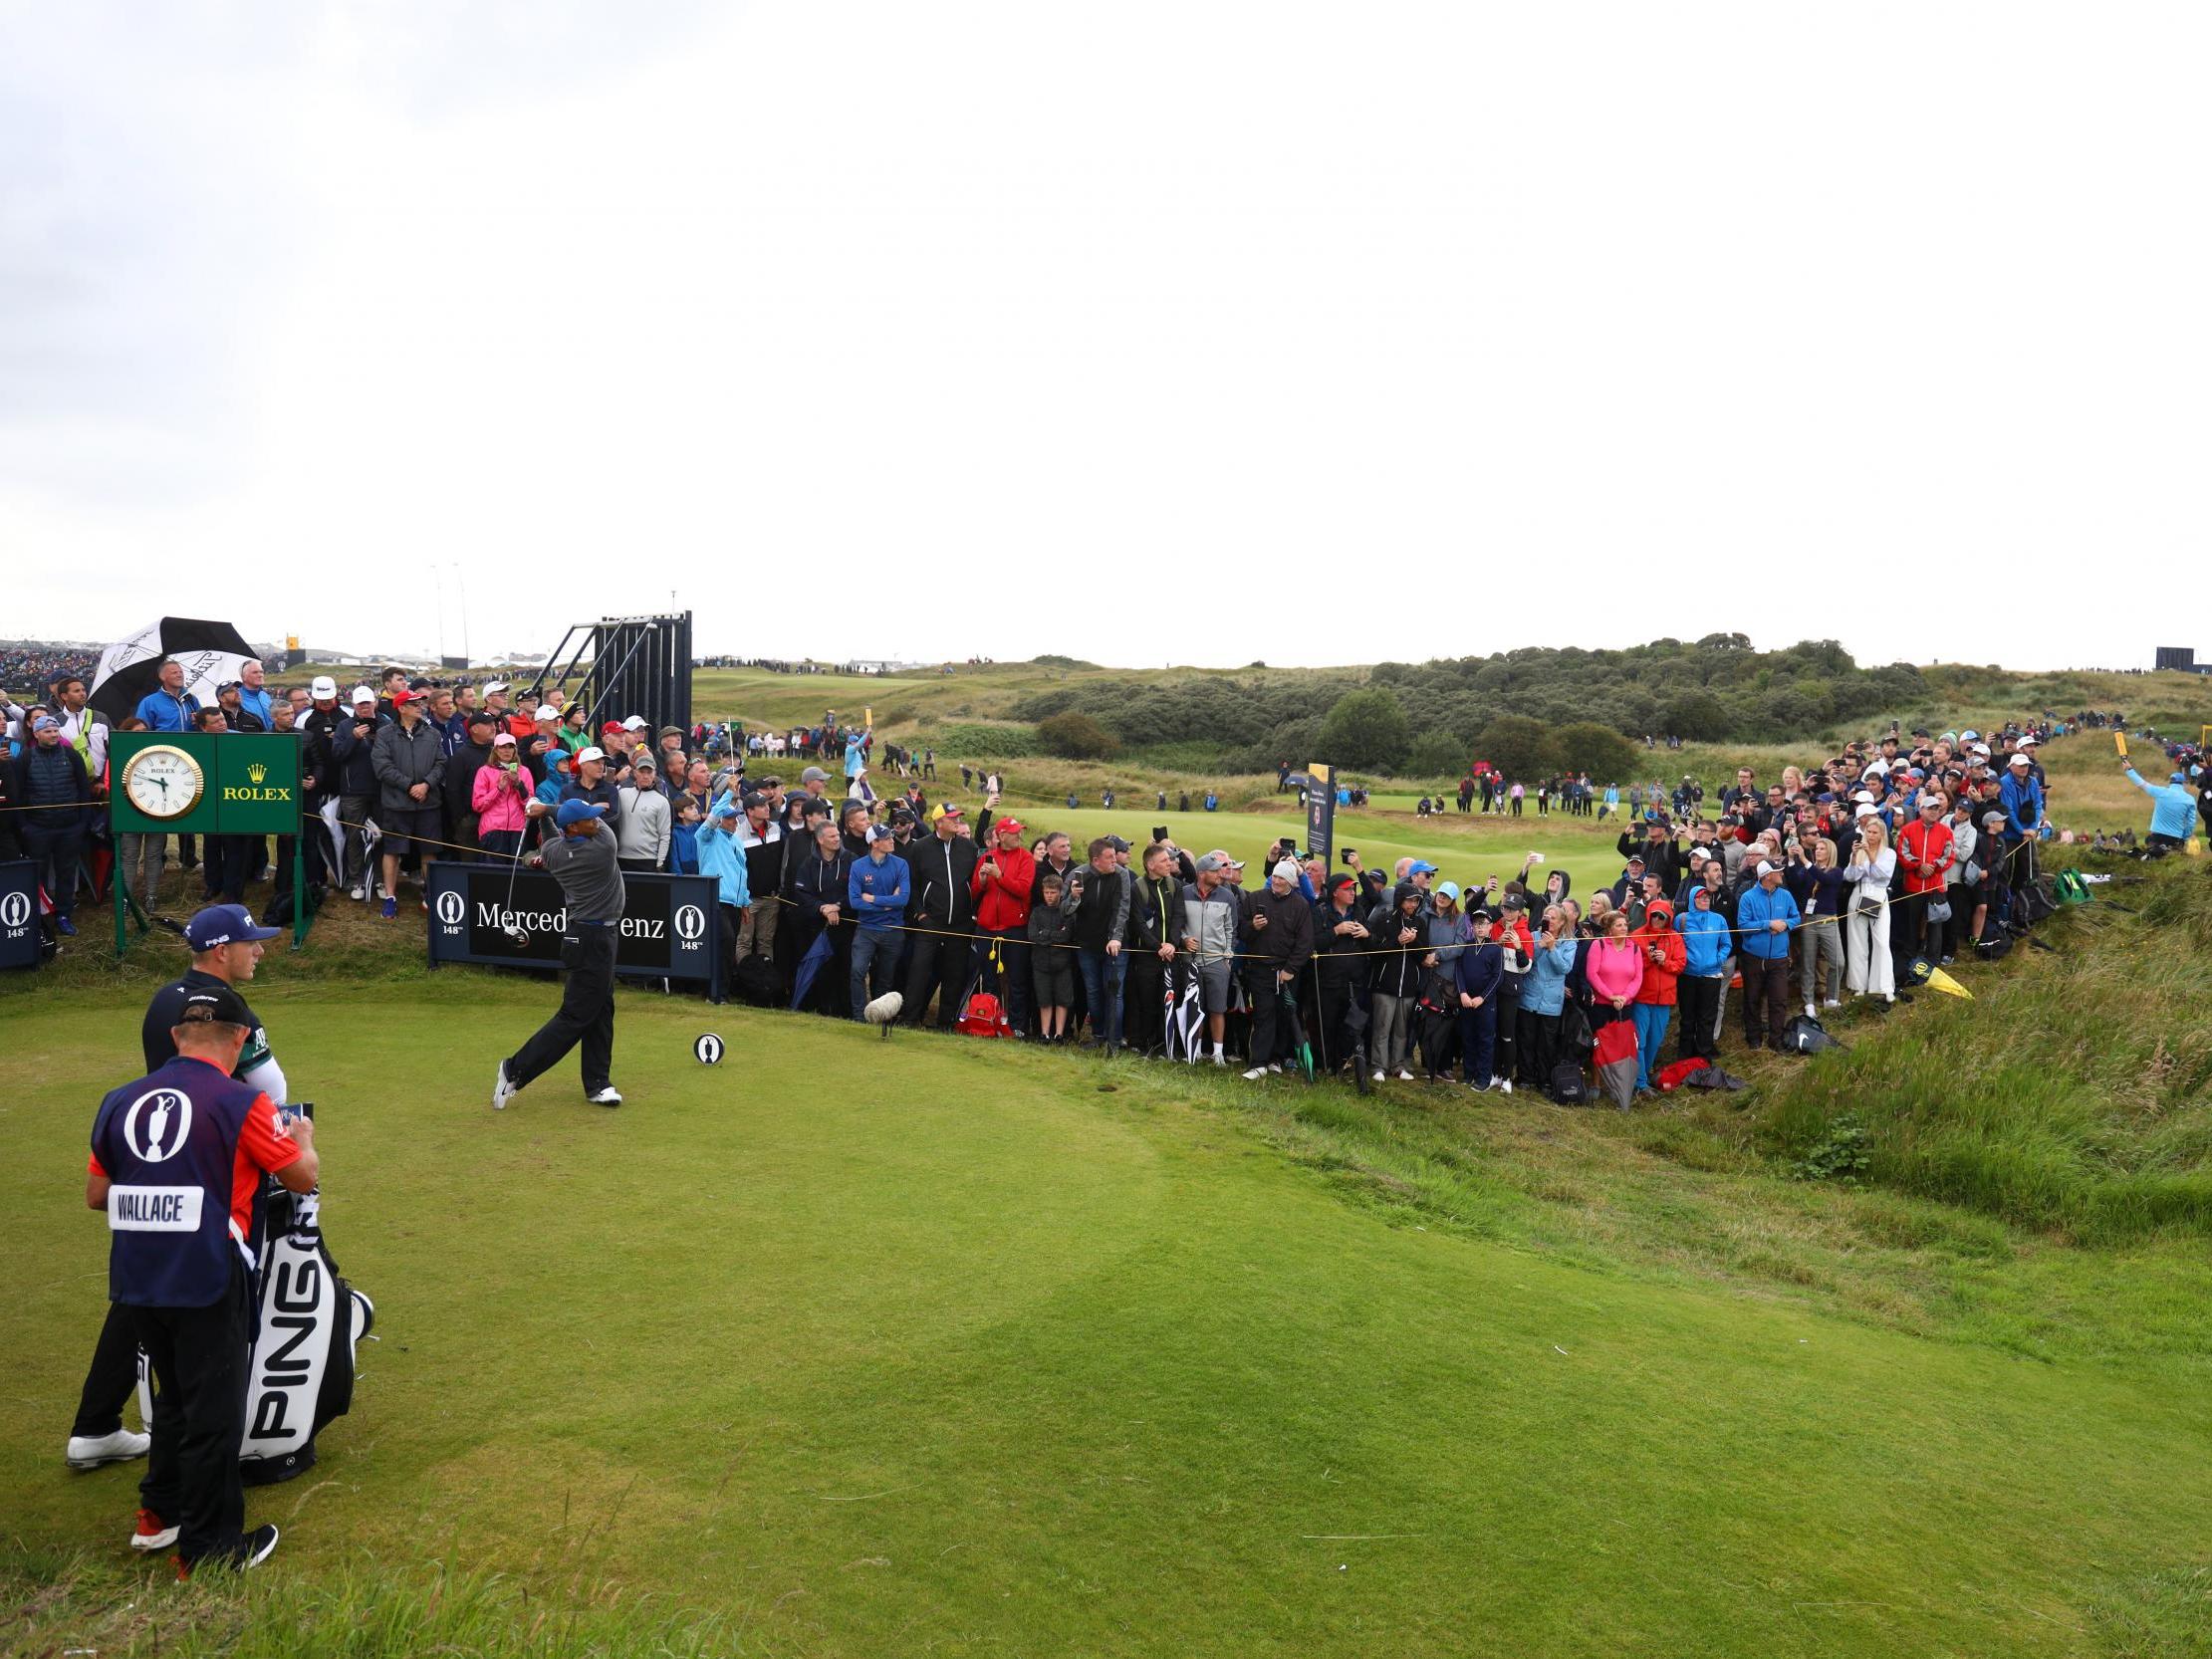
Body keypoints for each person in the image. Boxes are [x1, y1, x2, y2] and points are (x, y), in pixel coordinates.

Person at [85, 981, 313, 1572]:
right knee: (214, 1413)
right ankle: (210, 1551)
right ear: (239, 1040)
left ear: (175, 1038)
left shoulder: (120, 1100)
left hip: (137, 1274)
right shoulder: (242, 1104)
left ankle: (158, 1516)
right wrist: (303, 1141)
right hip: (208, 1276)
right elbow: (300, 1178)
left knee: (176, 1398)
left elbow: (96, 1194)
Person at [492, 800, 627, 1109]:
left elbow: (549, 836)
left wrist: (541, 814)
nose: (596, 822)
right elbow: (554, 824)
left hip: (584, 936)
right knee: (575, 1017)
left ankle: (598, 1083)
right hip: (594, 938)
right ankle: (514, 1070)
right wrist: (545, 809)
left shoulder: (553, 852)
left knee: (601, 1009)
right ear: (573, 827)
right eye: (589, 820)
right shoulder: (603, 847)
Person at [13, 712, 94, 934]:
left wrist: (82, 822)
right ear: (36, 733)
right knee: (37, 874)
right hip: (37, 828)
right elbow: (18, 794)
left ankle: (64, 915)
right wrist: (24, 826)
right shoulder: (26, 758)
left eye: (56, 730)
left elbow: (83, 789)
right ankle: (38, 919)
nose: (53, 735)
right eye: (48, 731)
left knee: (66, 873)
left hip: (69, 827)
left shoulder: (71, 755)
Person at [370, 688, 445, 919]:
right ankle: (391, 897)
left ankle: (430, 894)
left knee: (429, 850)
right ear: (401, 708)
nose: (419, 707)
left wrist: (426, 785)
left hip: (428, 803)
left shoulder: (432, 733)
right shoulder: (385, 734)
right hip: (397, 804)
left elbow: (441, 763)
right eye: (414, 704)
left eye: (419, 704)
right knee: (393, 850)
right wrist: (409, 786)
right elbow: (381, 766)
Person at [902, 802, 978, 1028]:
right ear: (939, 822)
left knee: (954, 975)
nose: (957, 821)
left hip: (961, 923)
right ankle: (910, 1018)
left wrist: (972, 916)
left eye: (958, 817)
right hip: (931, 922)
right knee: (919, 972)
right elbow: (913, 885)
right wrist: (920, 915)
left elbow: (974, 883)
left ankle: (946, 1022)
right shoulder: (920, 848)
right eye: (952, 818)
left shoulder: (968, 847)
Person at [1238, 857, 1314, 1078]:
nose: (1276, 881)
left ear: (1290, 881)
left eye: (1281, 878)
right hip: (1260, 969)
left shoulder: (1300, 905)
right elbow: (1241, 930)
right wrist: (1253, 926)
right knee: (1263, 1014)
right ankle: (1258, 1062)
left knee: (1284, 1015)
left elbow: (1305, 942)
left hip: (1287, 972)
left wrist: (1290, 969)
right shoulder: (1255, 898)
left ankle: (1276, 1059)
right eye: (1275, 877)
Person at [1735, 859, 1801, 1049]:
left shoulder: (1786, 895)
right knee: (1752, 999)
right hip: (1754, 958)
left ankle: (1776, 1039)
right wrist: (1768, 924)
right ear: (1767, 876)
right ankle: (1754, 1037)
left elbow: (1795, 917)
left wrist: (1785, 924)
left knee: (1778, 1000)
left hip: (1779, 958)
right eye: (1778, 871)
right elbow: (1743, 926)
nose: (1782, 874)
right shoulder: (1748, 897)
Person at [847, 823, 910, 1018]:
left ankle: (879, 1016)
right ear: (874, 842)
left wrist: (873, 899)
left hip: (893, 929)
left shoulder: (901, 864)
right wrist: (888, 903)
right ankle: (859, 1016)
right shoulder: (858, 866)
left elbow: (903, 899)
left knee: (885, 978)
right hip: (866, 929)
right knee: (857, 971)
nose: (892, 840)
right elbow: (855, 902)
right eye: (887, 838)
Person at [1841, 815, 1897, 1006]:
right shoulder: (1859, 850)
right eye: (1868, 832)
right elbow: (1849, 876)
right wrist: (1855, 857)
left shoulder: (1889, 853)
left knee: (1881, 942)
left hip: (1878, 897)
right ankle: (1858, 985)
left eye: (1874, 832)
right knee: (1857, 942)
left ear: (1881, 835)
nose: (1870, 835)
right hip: (1858, 895)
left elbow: (1884, 876)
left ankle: (1885, 986)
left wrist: (1871, 856)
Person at [1628, 898, 1683, 1091]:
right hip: (1642, 997)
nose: (1658, 919)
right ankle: (1641, 1083)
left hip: (1664, 998)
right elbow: (1630, 968)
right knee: (1640, 1041)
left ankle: (1643, 1076)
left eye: (1663, 916)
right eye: (1655, 915)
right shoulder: (1636, 936)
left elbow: (1680, 965)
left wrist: (1664, 961)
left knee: (1655, 1040)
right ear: (1648, 915)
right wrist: (1649, 960)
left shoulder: (1674, 937)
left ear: (1669, 918)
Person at [1672, 884, 1729, 1064]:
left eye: (1707, 897)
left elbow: (1726, 944)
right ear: (1692, 899)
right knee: (1688, 1016)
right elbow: (1676, 943)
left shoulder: (1718, 919)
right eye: (1700, 897)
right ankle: (1685, 1053)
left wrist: (1718, 960)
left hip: (1711, 975)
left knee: (1707, 1016)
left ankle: (1703, 1053)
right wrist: (1685, 960)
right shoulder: (1682, 919)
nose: (1705, 900)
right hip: (1688, 975)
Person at [1027, 871, 1076, 1041]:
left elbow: (1066, 936)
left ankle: (1059, 1034)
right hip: (1040, 963)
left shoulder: (1066, 912)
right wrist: (1053, 934)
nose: (1049, 896)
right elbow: (1032, 935)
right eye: (1046, 892)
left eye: (1053, 892)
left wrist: (1045, 933)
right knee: (1044, 999)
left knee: (1063, 999)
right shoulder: (1037, 912)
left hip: (1062, 963)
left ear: (1060, 892)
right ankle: (1045, 1033)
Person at [471, 731, 533, 860]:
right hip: (492, 829)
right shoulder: (484, 771)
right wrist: (498, 788)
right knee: (493, 875)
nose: (507, 750)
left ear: (515, 750)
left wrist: (518, 784)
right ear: (495, 750)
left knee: (516, 875)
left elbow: (529, 807)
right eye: (502, 747)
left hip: (517, 829)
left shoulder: (524, 772)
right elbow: (477, 805)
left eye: (510, 747)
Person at [2120, 758, 2198, 853]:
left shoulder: (2161, 792)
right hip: (2176, 837)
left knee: (2152, 859)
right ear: (2183, 784)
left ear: (2170, 782)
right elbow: (2191, 822)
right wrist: (2185, 836)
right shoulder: (2190, 799)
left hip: (2157, 836)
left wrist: (2129, 770)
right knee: (2172, 862)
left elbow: (2141, 784)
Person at [614, 758, 671, 871]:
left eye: (649, 772)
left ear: (654, 774)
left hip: (648, 860)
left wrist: (660, 863)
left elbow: (665, 835)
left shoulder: (662, 801)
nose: (645, 776)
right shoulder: (622, 793)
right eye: (641, 772)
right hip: (621, 858)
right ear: (635, 773)